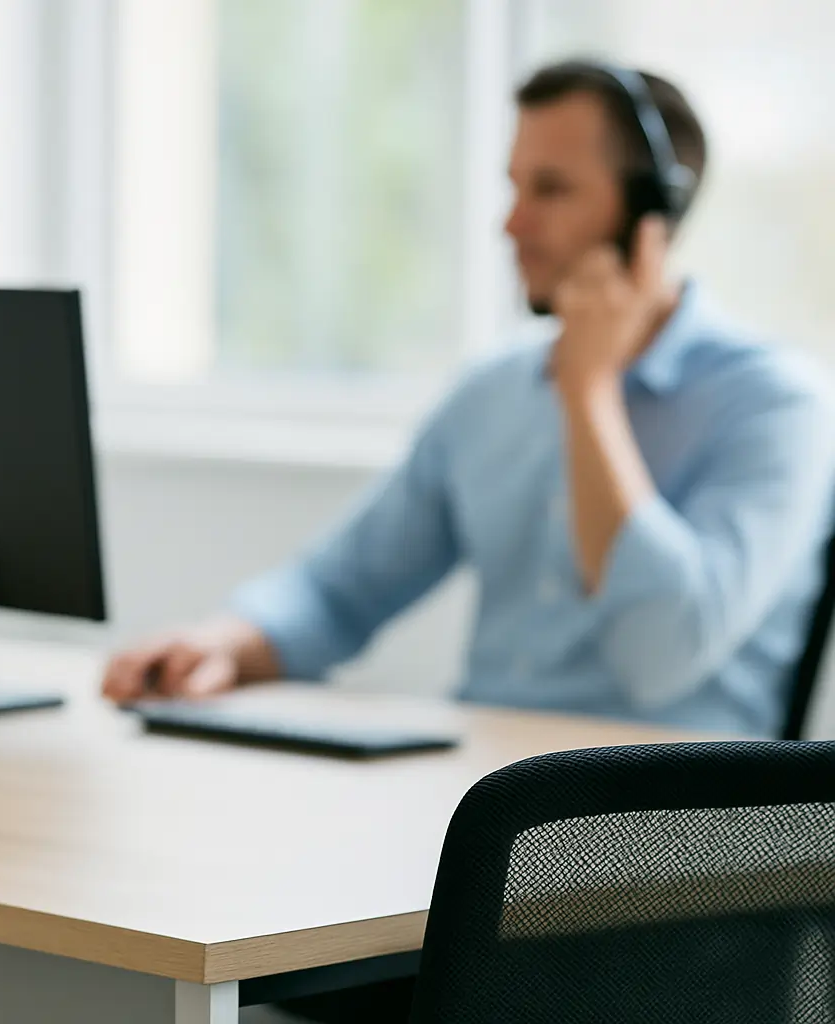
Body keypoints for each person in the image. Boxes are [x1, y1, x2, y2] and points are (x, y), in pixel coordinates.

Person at [103, 59, 835, 1021]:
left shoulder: (775, 408)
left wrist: (589, 392)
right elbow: (342, 588)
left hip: (666, 882)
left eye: (551, 190)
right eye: (511, 186)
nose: (511, 224)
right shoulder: (492, 397)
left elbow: (661, 653)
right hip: (490, 844)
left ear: (651, 216)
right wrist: (224, 642)